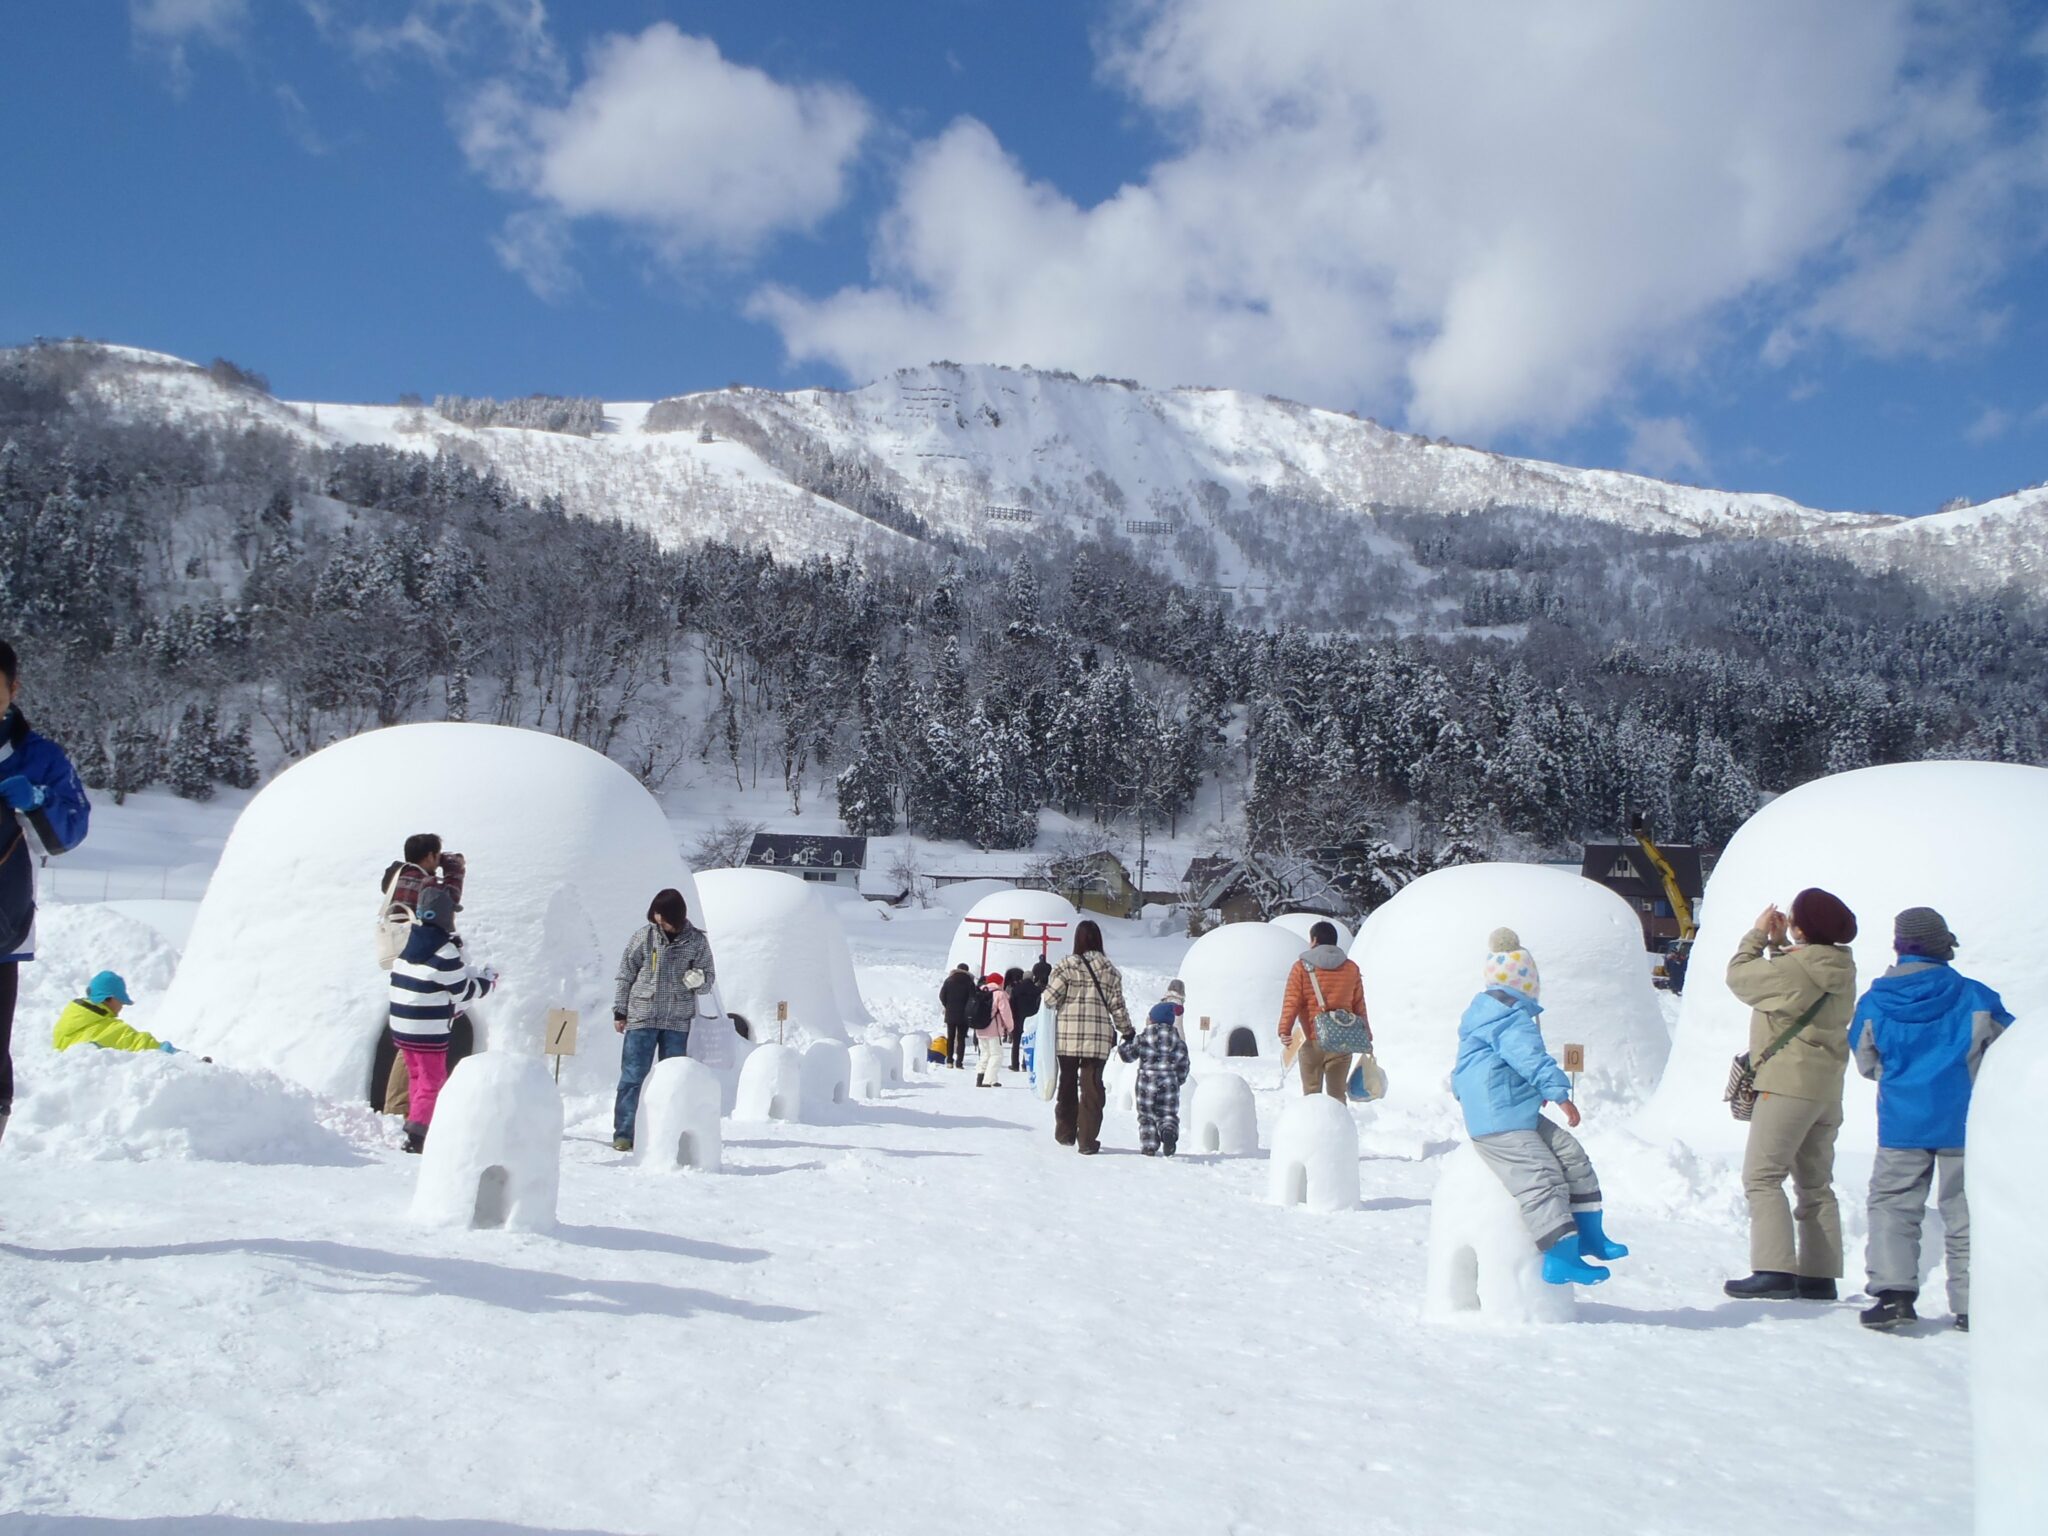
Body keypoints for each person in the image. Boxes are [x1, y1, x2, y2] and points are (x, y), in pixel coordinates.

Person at [1849, 906, 2013, 1333]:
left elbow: (1866, 1062)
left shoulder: (1874, 1001)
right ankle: (1975, 1305)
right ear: (1944, 946)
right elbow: (2010, 1051)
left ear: (1898, 946)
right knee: (1966, 1210)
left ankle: (1893, 1296)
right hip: (1966, 1121)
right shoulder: (1977, 997)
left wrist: (1901, 1079)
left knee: (1893, 1206)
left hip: (1902, 1122)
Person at [1452, 929, 1628, 1286]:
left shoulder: (1493, 1016)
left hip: (1514, 1111)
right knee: (1542, 1175)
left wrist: (1530, 1090)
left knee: (1571, 1154)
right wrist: (1559, 1094)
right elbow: (1529, 1058)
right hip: (1499, 1120)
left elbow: (1478, 1070)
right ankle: (1560, 1257)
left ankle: (1588, 1235)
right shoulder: (1507, 1018)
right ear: (1526, 985)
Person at [1722, 888, 1860, 1301]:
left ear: (1803, 927)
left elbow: (1740, 977)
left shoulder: (1796, 970)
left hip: (1786, 1086)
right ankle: (1819, 1276)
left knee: (1762, 1177)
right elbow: (1797, 979)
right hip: (1826, 1089)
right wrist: (1781, 945)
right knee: (1816, 1185)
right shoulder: (1840, 966)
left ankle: (1774, 1270)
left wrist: (1757, 936)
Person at [1, 639, 92, 1146]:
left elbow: (70, 833)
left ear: (12, 690)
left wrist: (38, 801)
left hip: (2, 929)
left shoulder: (39, 759)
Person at [389, 883, 498, 1154]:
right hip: (427, 1030)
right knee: (432, 1081)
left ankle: (414, 1122)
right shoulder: (445, 951)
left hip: (402, 1025)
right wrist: (487, 981)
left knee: (417, 1076)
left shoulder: (409, 943)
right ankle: (419, 1137)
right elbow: (463, 990)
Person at [611, 888, 716, 1152]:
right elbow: (626, 974)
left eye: (664, 916)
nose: (660, 920)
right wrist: (620, 1011)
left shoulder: (696, 941)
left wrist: (698, 980)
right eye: (657, 915)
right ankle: (625, 1133)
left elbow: (708, 980)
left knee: (673, 1080)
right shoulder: (643, 937)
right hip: (642, 1016)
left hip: (677, 1020)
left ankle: (666, 1130)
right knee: (633, 1077)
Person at [376, 833, 468, 1116]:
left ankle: (400, 1106)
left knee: (408, 1040)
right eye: (436, 855)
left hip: (402, 965)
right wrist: (454, 870)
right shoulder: (422, 880)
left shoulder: (398, 875)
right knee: (419, 1041)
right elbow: (447, 902)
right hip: (421, 962)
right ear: (429, 855)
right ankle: (403, 1109)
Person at [1041, 920, 1131, 1155]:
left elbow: (1050, 999)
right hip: (1098, 1038)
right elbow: (1117, 1007)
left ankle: (1065, 1132)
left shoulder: (1066, 966)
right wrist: (1127, 1030)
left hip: (1068, 1036)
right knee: (1092, 1088)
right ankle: (1088, 1141)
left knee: (1068, 1083)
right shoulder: (1110, 970)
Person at [1276, 920, 1368, 1099]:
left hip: (1313, 1040)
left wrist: (1284, 1030)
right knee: (1337, 1096)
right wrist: (1367, 1033)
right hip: (1343, 1040)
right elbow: (1359, 1005)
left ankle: (1314, 1125)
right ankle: (1339, 1125)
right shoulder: (1351, 968)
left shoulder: (1301, 967)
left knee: (1312, 1095)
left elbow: (1292, 1001)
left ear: (1314, 940)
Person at [1117, 997, 1191, 1155]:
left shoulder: (1142, 1039)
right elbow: (1184, 1066)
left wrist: (1124, 1044)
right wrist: (1178, 1080)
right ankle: (1168, 1132)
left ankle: (1149, 1146)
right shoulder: (1178, 1043)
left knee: (1146, 1116)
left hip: (1146, 1084)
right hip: (1170, 1084)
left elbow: (1127, 1056)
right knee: (1168, 1114)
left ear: (1152, 1020)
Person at [53, 971, 187, 1054]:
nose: (122, 1006)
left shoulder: (69, 1020)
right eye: (121, 1001)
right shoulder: (109, 1029)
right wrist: (186, 1058)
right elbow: (145, 1045)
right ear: (108, 998)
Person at [974, 971, 1014, 1087]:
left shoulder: (980, 991)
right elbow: (1005, 1013)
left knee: (985, 1054)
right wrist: (1010, 1027)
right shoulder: (999, 994)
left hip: (980, 1027)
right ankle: (988, 1079)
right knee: (996, 1054)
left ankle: (980, 1077)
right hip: (993, 1029)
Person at [939, 962, 976, 1072]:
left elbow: (942, 995)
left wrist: (947, 1005)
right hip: (964, 1014)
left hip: (951, 1012)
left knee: (950, 1037)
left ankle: (949, 1060)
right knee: (961, 1038)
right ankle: (959, 1062)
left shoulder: (949, 980)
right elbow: (973, 998)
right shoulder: (969, 982)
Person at [1005, 965, 1041, 1071]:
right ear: (1032, 978)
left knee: (1016, 1043)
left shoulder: (1016, 989)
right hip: (1031, 1020)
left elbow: (1012, 1004)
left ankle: (1015, 1064)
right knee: (1029, 1043)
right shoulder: (1037, 990)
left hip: (1018, 1018)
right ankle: (1026, 1064)